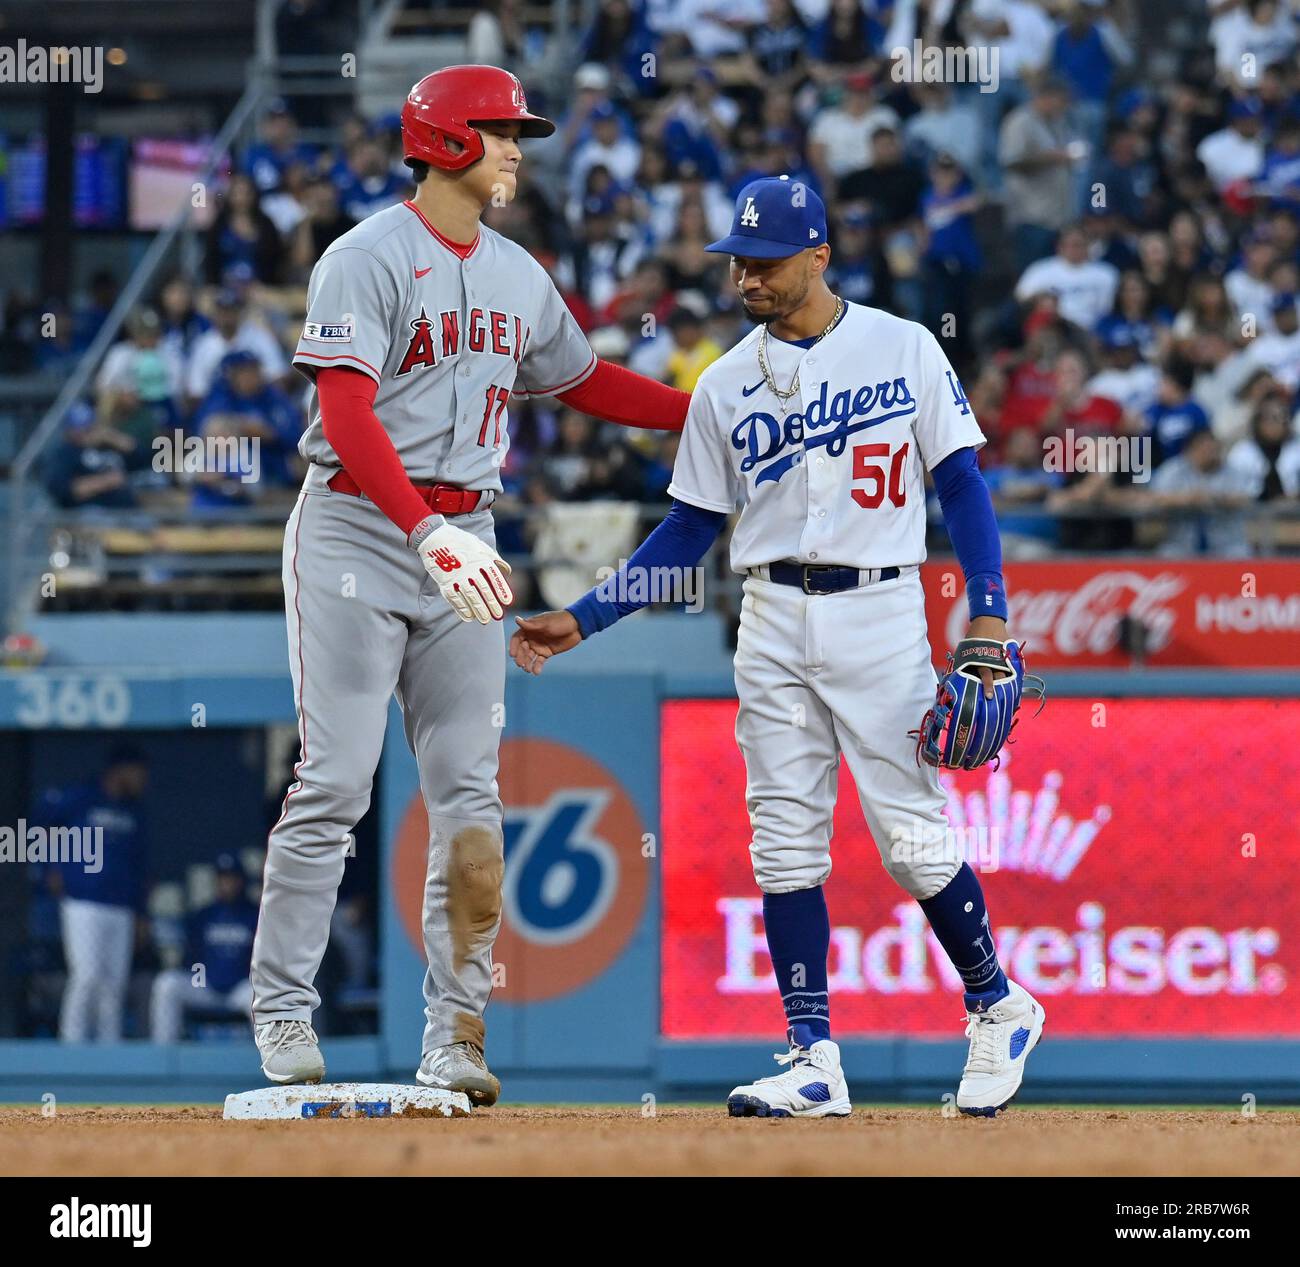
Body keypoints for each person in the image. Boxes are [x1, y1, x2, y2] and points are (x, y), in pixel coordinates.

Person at [510, 175, 1046, 1118]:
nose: (746, 275)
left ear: (818, 256)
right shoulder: (721, 382)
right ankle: (811, 1055)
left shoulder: (906, 346)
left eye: (764, 260)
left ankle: (997, 1003)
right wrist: (587, 614)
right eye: (738, 261)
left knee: (911, 837)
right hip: (767, 614)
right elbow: (686, 531)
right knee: (782, 839)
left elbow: (962, 486)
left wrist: (989, 613)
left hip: (880, 607)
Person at [249, 66, 693, 1102]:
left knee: (472, 801)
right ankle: (280, 1007)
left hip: (469, 530)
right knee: (335, 780)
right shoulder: (363, 257)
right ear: (445, 140)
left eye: (517, 135)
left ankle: (455, 1030)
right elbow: (347, 412)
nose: (516, 151)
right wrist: (423, 528)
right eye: (500, 133)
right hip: (358, 524)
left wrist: (694, 411)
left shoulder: (517, 272)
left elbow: (582, 379)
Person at [35, 745, 151, 1042]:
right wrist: (49, 867)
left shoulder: (132, 812)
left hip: (121, 906)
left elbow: (139, 867)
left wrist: (141, 913)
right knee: (86, 976)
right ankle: (71, 1045)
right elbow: (40, 824)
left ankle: (108, 1047)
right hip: (83, 901)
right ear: (120, 769)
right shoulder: (81, 797)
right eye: (137, 772)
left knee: (113, 984)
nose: (141, 780)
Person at [150, 854, 258, 1043]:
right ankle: (164, 1052)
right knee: (167, 984)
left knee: (261, 996)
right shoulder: (203, 916)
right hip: (206, 987)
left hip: (241, 989)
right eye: (223, 878)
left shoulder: (256, 916)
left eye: (232, 878)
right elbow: (191, 958)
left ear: (241, 880)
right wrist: (200, 979)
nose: (227, 883)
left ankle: (269, 1060)